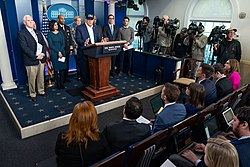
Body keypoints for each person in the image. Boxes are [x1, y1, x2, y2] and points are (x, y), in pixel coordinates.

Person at [55, 101, 111, 166]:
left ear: (74, 118)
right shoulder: (100, 138)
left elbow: (58, 153)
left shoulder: (62, 138)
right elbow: (107, 156)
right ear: (93, 119)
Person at [18, 15, 47, 102]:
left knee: (41, 77)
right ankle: (33, 93)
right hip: (31, 60)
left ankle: (41, 91)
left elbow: (43, 43)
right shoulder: (21, 33)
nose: (31, 22)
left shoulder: (37, 32)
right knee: (32, 78)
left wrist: (43, 53)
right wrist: (35, 56)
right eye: (28, 20)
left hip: (41, 58)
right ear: (25, 23)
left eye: (31, 20)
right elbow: (24, 48)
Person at [75, 14, 101, 87]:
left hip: (94, 52)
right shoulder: (80, 28)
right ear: (86, 20)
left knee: (93, 70)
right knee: (84, 70)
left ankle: (93, 84)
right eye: (88, 20)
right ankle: (86, 86)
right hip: (84, 52)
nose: (90, 21)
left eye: (91, 20)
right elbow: (77, 39)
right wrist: (84, 42)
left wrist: (102, 40)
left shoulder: (96, 28)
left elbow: (97, 39)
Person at [47, 20, 67, 90]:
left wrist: (60, 51)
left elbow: (63, 43)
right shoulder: (49, 34)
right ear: (52, 26)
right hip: (54, 53)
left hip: (62, 52)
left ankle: (62, 83)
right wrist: (58, 52)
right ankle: (58, 83)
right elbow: (51, 45)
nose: (57, 26)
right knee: (56, 69)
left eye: (57, 25)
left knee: (62, 68)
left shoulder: (61, 33)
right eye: (55, 25)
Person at [57, 14, 74, 82]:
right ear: (58, 19)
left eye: (64, 19)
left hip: (67, 49)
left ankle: (66, 77)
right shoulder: (57, 28)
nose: (63, 20)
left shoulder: (67, 27)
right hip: (61, 50)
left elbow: (70, 39)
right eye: (61, 19)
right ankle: (62, 79)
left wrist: (71, 48)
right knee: (62, 64)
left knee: (67, 64)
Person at [71, 16, 82, 80]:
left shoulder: (83, 28)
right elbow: (72, 39)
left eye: (80, 21)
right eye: (78, 21)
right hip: (76, 47)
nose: (79, 22)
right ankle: (79, 75)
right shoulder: (73, 29)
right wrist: (76, 45)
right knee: (78, 62)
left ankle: (83, 74)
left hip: (83, 47)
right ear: (75, 21)